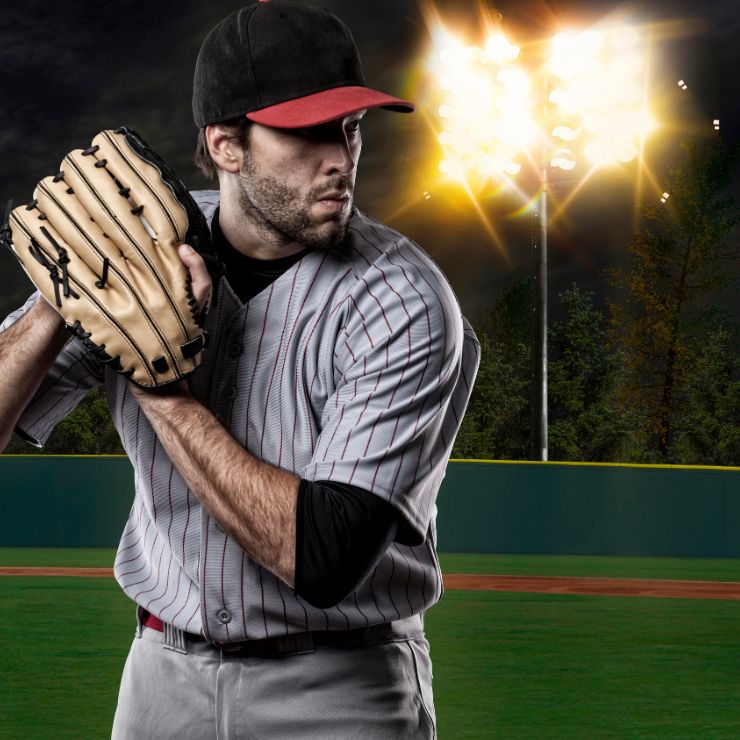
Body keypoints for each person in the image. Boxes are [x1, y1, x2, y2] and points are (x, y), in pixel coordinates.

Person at [0, 1, 480, 737]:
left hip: (339, 688)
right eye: (309, 131)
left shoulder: (404, 302)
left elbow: (321, 557)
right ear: (225, 143)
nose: (341, 158)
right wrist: (57, 304)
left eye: (351, 129)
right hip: (162, 677)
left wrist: (161, 391)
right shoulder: (133, 251)